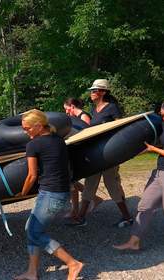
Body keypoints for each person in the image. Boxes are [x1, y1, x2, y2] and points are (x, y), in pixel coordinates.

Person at [14, 110, 83, 280]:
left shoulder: (34, 145)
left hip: (51, 194)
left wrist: (21, 194)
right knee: (30, 229)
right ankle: (32, 272)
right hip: (59, 192)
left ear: (38, 126)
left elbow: (32, 175)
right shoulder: (58, 140)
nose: (25, 132)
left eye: (27, 128)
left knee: (35, 232)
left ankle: (73, 263)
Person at [67, 79, 133, 227]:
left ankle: (127, 217)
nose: (91, 93)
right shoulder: (93, 110)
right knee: (90, 183)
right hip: (96, 154)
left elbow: (120, 128)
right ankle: (81, 218)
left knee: (111, 185)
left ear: (103, 92)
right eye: (91, 90)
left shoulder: (112, 108)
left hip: (109, 154)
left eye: (94, 90)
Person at [113, 101, 164, 251]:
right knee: (145, 205)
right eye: (162, 115)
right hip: (159, 171)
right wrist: (139, 151)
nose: (163, 117)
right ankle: (134, 241)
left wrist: (153, 149)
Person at [63, 98, 103, 218]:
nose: (66, 112)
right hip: (75, 152)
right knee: (72, 181)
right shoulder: (75, 118)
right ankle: (95, 199)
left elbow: (87, 136)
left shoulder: (84, 117)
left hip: (82, 154)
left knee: (72, 182)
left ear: (72, 106)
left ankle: (75, 210)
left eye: (66, 109)